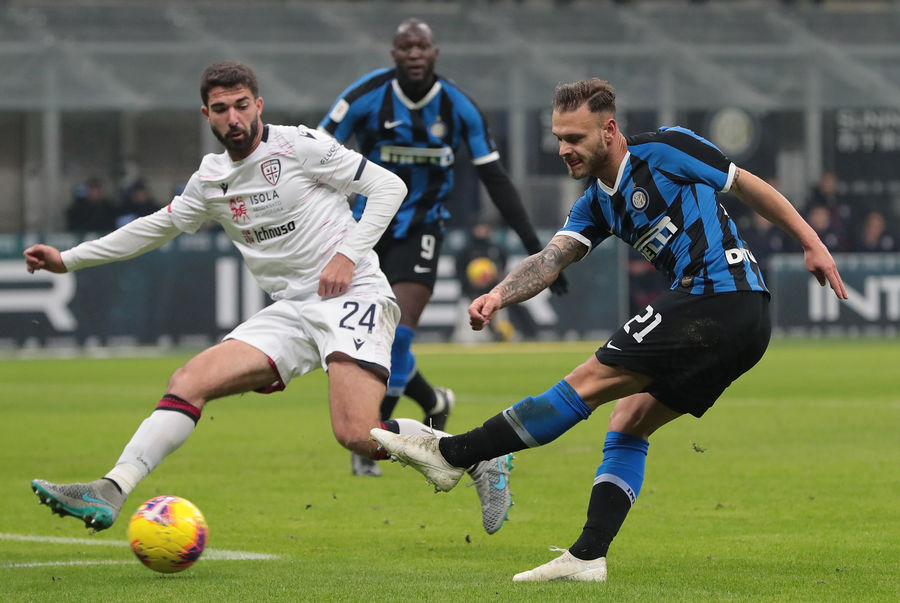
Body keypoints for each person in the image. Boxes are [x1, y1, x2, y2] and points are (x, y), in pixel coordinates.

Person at [371, 78, 848, 582]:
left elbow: (746, 184)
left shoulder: (665, 149)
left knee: (590, 380)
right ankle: (587, 556)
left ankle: (455, 454)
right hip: (741, 323)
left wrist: (811, 242)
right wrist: (499, 295)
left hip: (719, 294)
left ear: (609, 130)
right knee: (629, 420)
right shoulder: (596, 204)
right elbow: (551, 260)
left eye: (575, 138)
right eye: (559, 138)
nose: (564, 149)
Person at [25, 61, 513, 536]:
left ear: (258, 105)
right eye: (221, 109)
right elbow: (154, 227)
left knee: (356, 434)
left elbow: (389, 186)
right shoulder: (211, 179)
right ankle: (111, 489)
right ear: (207, 115)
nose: (233, 118)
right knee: (189, 380)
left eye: (242, 105)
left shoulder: (300, 145)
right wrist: (67, 259)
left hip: (354, 294)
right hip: (292, 310)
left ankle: (477, 456)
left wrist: (347, 255)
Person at [318, 18, 568, 476]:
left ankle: (372, 436)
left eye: (422, 47)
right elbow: (315, 152)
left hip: (423, 230)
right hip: (366, 232)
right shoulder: (364, 97)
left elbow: (495, 178)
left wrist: (538, 250)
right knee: (372, 337)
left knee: (399, 336)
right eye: (405, 47)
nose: (414, 54)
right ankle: (433, 402)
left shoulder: (458, 107)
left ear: (435, 53)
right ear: (394, 54)